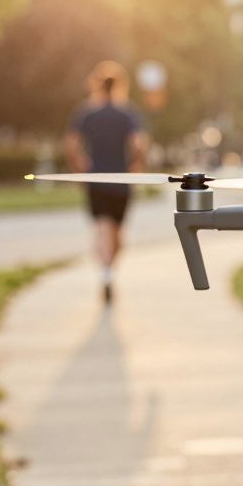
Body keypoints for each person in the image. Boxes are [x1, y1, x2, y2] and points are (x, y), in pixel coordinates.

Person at [63, 60, 148, 304]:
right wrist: (135, 167)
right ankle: (111, 273)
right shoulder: (127, 113)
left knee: (102, 229)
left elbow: (70, 144)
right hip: (121, 180)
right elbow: (139, 144)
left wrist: (82, 169)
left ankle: (105, 274)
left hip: (96, 179)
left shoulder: (87, 113)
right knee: (118, 234)